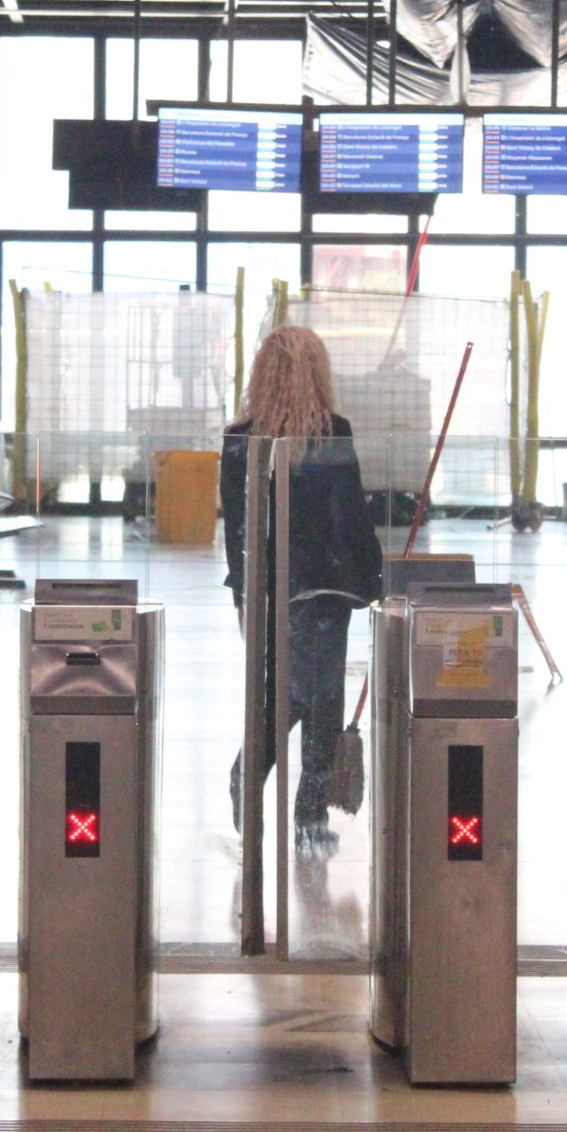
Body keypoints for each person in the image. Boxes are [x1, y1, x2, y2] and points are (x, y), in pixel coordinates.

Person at [219, 326, 383, 854]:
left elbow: (237, 526)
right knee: (318, 697)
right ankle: (303, 811)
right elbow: (349, 513)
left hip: (267, 589)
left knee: (285, 690)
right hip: (326, 590)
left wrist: (244, 587)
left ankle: (257, 782)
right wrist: (373, 576)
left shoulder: (241, 436)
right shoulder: (332, 432)